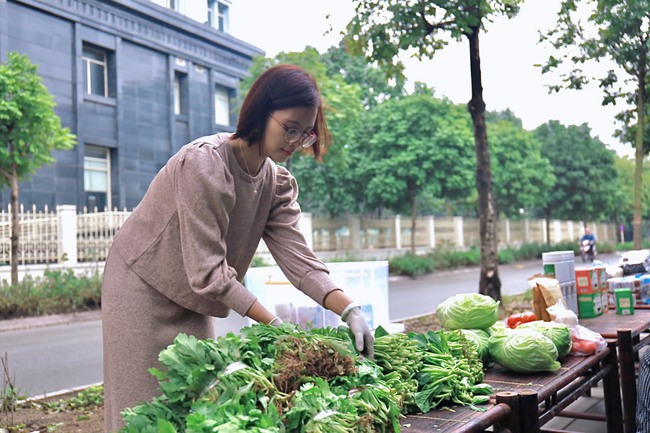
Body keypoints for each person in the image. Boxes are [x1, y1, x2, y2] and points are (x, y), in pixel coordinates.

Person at [101, 64, 374, 432]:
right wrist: (277, 326)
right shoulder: (205, 164)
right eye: (289, 127)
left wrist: (350, 309)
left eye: (305, 133)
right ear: (261, 112)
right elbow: (211, 272)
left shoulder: (276, 182)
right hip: (141, 286)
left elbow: (301, 264)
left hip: (193, 293)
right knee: (144, 411)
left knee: (197, 403)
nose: (295, 140)